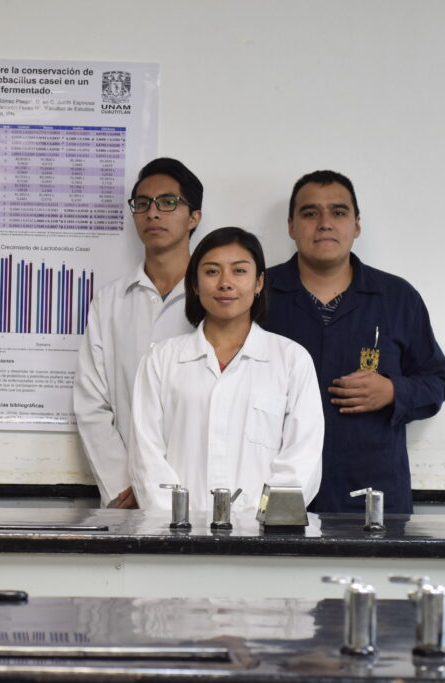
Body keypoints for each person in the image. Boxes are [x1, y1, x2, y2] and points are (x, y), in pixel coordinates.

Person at [265, 171, 445, 513]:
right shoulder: (257, 294)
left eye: (338, 212)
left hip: (374, 495)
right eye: (310, 213)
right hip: (277, 490)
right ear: (291, 226)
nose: (325, 223)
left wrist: (393, 391)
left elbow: (437, 380)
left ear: (356, 225)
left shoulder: (397, 297)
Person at [129, 227, 324, 514]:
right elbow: (146, 457)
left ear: (259, 282)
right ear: (195, 284)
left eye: (239, 271)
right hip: (178, 531)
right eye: (211, 272)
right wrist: (177, 522)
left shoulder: (291, 360)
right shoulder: (161, 359)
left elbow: (302, 460)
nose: (225, 283)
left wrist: (260, 522)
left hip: (261, 534)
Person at [74, 158, 202, 508]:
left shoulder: (216, 298)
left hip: (199, 489)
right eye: (142, 204)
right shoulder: (110, 300)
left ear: (194, 217)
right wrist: (125, 483)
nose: (152, 213)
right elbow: (91, 402)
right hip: (128, 496)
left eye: (168, 202)